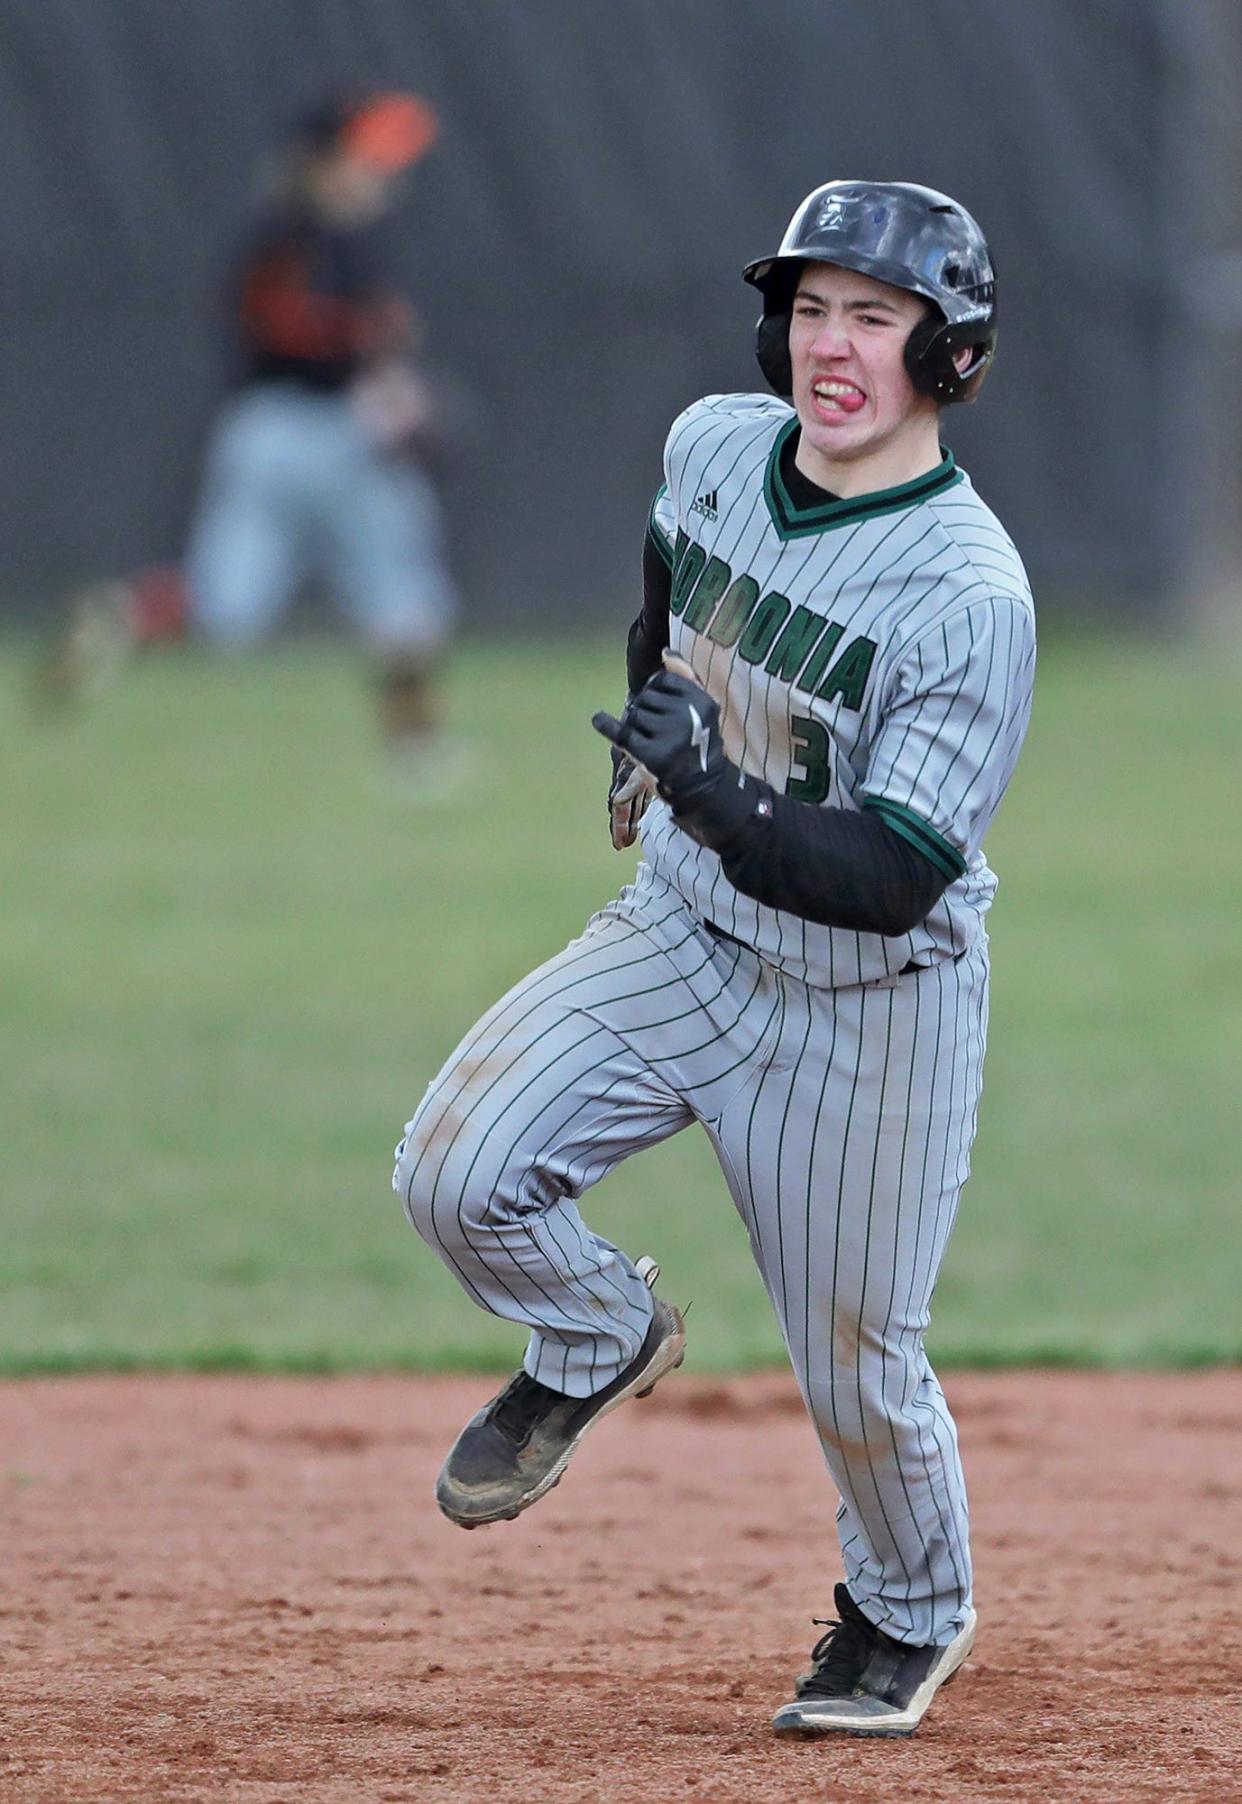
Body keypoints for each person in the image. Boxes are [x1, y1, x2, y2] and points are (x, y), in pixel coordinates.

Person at [393, 180, 1035, 1740]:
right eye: (810, 308)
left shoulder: (967, 597)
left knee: (855, 1368)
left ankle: (905, 1614)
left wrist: (715, 786)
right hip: (681, 931)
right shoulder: (708, 446)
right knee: (455, 1173)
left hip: (864, 1013)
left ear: (946, 358)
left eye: (874, 319)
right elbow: (668, 593)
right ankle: (599, 1331)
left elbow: (885, 880)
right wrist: (650, 743)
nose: (831, 343)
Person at [40, 91, 460, 768]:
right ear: (323, 164)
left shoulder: (350, 242)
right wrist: (371, 353)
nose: (383, 172)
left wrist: (393, 377)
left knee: (385, 599)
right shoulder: (284, 240)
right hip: (297, 430)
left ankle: (124, 615)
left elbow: (371, 345)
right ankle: (416, 750)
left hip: (316, 432)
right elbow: (282, 330)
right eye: (367, 158)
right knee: (343, 600)